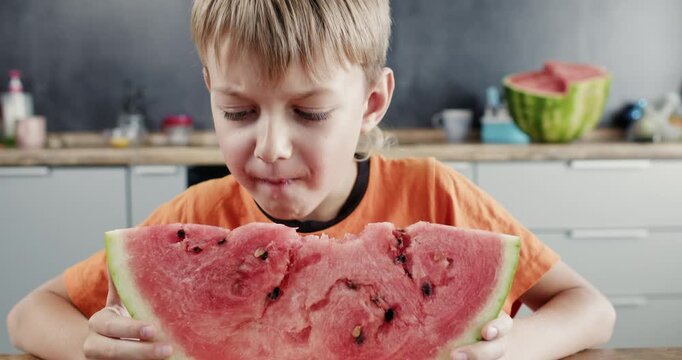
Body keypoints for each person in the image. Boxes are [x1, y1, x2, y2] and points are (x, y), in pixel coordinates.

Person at [7, 1, 616, 359]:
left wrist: (518, 349)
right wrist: (97, 350)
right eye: (238, 111)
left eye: (310, 112)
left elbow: (590, 308)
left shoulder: (438, 194)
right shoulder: (196, 214)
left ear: (372, 102)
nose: (270, 147)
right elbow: (29, 314)